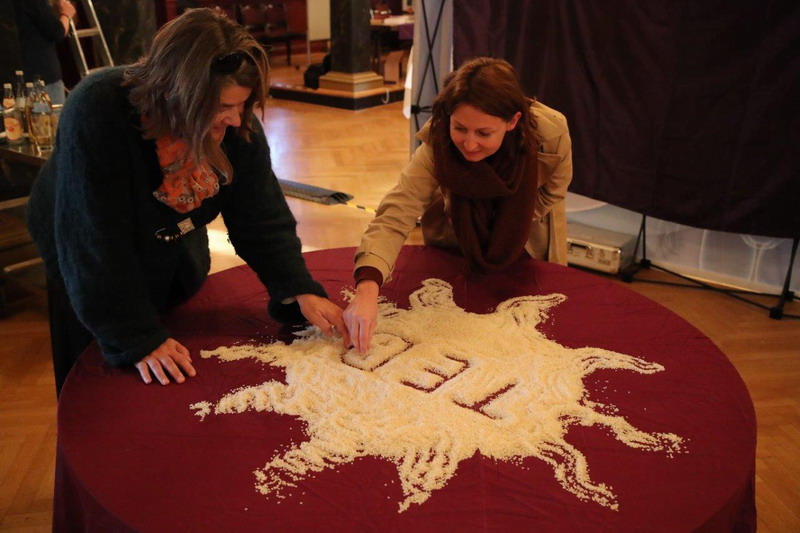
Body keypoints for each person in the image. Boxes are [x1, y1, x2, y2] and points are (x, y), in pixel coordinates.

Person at [27, 8, 350, 395]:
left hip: (170, 241)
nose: (236, 119)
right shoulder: (96, 107)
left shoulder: (236, 123)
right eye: (222, 107)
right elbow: (94, 242)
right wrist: (135, 336)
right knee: (103, 384)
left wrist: (298, 288)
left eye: (242, 105)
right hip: (85, 266)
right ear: (177, 94)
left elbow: (261, 218)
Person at [343, 57, 573, 353]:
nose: (470, 144)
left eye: (484, 133)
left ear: (512, 121)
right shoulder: (438, 143)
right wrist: (367, 289)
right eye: (460, 128)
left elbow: (554, 191)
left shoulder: (550, 133)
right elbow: (396, 213)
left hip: (528, 241)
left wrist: (507, 225)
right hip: (458, 240)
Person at [11, 0, 76, 104]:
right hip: (42, 75)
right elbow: (57, 32)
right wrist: (66, 14)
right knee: (53, 114)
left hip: (13, 77)